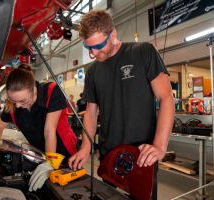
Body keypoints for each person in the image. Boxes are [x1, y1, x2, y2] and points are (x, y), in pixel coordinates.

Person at [68, 10, 175, 199]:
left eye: (99, 45)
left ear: (113, 34)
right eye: (88, 47)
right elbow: (91, 113)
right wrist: (86, 147)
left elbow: (166, 98)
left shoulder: (143, 52)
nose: (93, 53)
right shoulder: (92, 72)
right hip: (108, 156)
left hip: (142, 156)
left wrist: (159, 145)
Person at [0, 64, 77, 192]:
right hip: (41, 156)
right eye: (14, 101)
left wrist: (51, 163)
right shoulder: (13, 105)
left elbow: (49, 131)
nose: (17, 106)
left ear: (34, 89)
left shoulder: (52, 92)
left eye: (22, 101)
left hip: (65, 154)